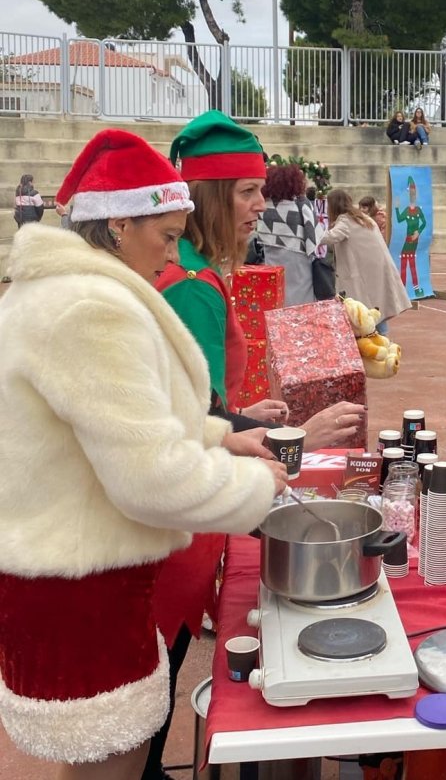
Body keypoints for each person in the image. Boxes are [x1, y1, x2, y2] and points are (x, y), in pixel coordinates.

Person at [0, 129, 284, 780]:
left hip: (71, 578)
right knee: (111, 763)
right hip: (81, 590)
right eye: (164, 235)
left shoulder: (62, 294)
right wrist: (261, 490)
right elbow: (148, 475)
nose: (170, 254)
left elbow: (120, 423)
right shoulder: (90, 308)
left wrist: (221, 437)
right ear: (121, 224)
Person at [153, 112, 363, 780]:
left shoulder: (189, 274)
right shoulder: (191, 289)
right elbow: (186, 425)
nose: (261, 205)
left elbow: (202, 409)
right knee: (143, 716)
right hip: (177, 534)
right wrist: (291, 436)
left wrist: (244, 414)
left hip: (180, 520)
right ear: (211, 198)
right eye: (246, 192)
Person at [324, 189, 411, 336]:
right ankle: (383, 340)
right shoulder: (362, 218)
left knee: (365, 310)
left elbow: (329, 238)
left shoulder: (345, 221)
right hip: (377, 269)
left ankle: (381, 342)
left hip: (364, 273)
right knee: (377, 307)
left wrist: (308, 234)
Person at [257, 163, 318, 307]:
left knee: (277, 299)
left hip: (272, 260)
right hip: (300, 262)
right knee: (301, 304)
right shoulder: (302, 206)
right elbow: (315, 234)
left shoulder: (264, 206)